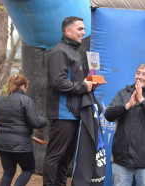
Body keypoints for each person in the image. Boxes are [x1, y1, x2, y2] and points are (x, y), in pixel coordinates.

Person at [43, 16, 97, 186]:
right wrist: (83, 86)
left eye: (84, 28)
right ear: (67, 31)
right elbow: (57, 82)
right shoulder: (59, 51)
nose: (83, 32)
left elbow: (73, 82)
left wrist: (89, 85)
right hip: (62, 113)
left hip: (73, 114)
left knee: (66, 158)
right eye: (80, 29)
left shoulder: (74, 52)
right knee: (55, 157)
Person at [104, 63, 145, 186]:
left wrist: (142, 100)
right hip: (121, 160)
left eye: (144, 74)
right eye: (138, 73)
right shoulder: (123, 94)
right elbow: (108, 115)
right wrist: (127, 105)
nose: (140, 77)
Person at [0, 74, 48, 186]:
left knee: (8, 173)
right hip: (21, 145)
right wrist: (44, 120)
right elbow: (35, 122)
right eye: (26, 87)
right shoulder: (26, 100)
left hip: (3, 144)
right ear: (23, 87)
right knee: (28, 169)